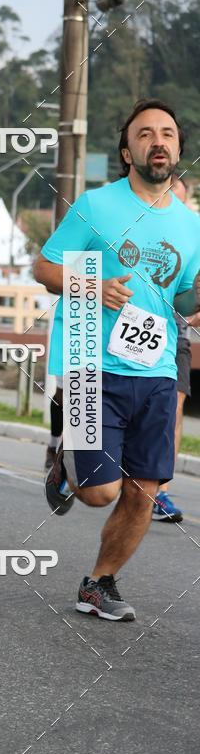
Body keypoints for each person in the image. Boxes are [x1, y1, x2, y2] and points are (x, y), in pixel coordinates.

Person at [35, 99, 200, 622]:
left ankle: (99, 583)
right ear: (127, 151)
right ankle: (67, 457)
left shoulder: (192, 226)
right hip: (90, 362)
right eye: (145, 133)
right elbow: (45, 267)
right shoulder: (97, 206)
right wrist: (91, 284)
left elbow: (184, 301)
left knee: (144, 492)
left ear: (178, 148)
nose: (159, 141)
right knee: (100, 493)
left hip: (154, 371)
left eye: (168, 133)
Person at [151, 176, 199, 522]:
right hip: (121, 337)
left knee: (173, 407)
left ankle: (160, 492)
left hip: (175, 337)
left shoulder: (192, 234)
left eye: (182, 202)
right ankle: (72, 455)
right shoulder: (135, 228)